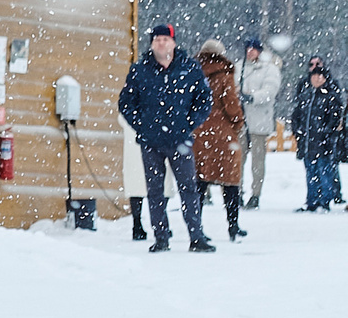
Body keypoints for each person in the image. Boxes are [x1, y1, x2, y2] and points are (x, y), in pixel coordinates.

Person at [116, 23, 215, 254]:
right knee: (155, 190)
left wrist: (189, 123)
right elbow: (126, 103)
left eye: (165, 39)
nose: (161, 43)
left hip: (180, 140)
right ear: (152, 44)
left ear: (173, 42)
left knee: (188, 188)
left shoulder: (189, 68)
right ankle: (161, 237)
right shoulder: (140, 70)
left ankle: (196, 236)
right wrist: (142, 126)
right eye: (157, 39)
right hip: (151, 142)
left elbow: (204, 100)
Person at [192, 39, 249, 242]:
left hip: (199, 133)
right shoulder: (225, 74)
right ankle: (233, 226)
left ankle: (195, 226)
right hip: (223, 133)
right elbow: (231, 103)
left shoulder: (193, 73)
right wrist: (238, 123)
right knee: (230, 181)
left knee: (200, 181)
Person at [293, 62, 345, 211]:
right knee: (311, 173)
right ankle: (311, 201)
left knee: (324, 172)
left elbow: (334, 120)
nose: (316, 78)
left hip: (323, 143)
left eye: (319, 76)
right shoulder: (305, 96)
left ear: (325, 78)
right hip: (307, 143)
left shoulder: (331, 97)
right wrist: (298, 132)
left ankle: (324, 201)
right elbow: (296, 116)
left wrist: (325, 133)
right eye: (313, 75)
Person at [239, 37, 282, 209]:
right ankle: (237, 191)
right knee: (237, 159)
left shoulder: (269, 69)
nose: (250, 52)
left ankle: (255, 193)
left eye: (253, 49)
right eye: (248, 48)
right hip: (241, 122)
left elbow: (270, 91)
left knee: (257, 161)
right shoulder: (239, 68)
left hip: (258, 121)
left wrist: (251, 97)